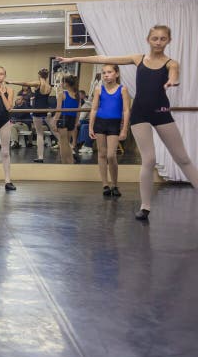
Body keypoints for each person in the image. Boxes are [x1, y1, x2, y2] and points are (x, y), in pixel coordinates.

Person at [57, 25, 198, 221]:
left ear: (168, 41)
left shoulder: (171, 63)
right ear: (148, 39)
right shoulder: (138, 59)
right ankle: (145, 207)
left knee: (182, 158)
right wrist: (74, 59)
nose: (158, 42)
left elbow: (174, 73)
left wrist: (172, 81)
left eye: (163, 39)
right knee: (148, 160)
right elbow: (104, 59)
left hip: (161, 112)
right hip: (139, 113)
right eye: (155, 38)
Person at [88, 64, 130, 198]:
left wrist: (124, 129)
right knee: (102, 154)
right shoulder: (98, 89)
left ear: (116, 74)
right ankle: (105, 184)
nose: (106, 75)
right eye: (104, 72)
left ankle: (115, 185)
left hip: (114, 124)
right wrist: (90, 126)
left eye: (109, 72)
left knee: (111, 155)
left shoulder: (123, 89)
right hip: (100, 123)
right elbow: (94, 109)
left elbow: (126, 110)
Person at [9, 68, 58, 163]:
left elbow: (25, 83)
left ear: (39, 75)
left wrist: (11, 82)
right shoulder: (49, 86)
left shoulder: (38, 83)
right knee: (55, 131)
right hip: (46, 110)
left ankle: (40, 157)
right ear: (47, 76)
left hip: (37, 110)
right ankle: (69, 148)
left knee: (39, 134)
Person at [53, 74, 80, 164]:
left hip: (63, 118)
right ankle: (70, 161)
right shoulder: (77, 95)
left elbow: (58, 110)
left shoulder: (62, 94)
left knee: (62, 144)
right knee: (67, 143)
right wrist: (76, 122)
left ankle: (65, 163)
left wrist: (54, 122)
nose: (61, 83)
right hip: (72, 119)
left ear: (66, 84)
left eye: (62, 81)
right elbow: (78, 112)